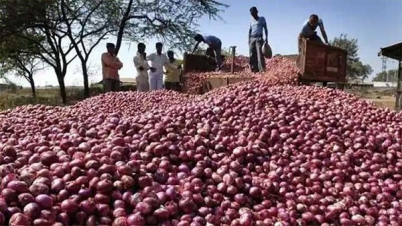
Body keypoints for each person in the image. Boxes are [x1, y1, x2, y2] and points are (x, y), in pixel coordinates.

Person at [248, 6, 268, 73]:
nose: (252, 15)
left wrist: (266, 38)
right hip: (252, 38)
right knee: (251, 54)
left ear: (257, 12)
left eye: (253, 13)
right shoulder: (251, 21)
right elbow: (249, 31)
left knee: (260, 54)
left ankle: (262, 70)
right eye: (251, 14)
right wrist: (249, 40)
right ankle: (254, 70)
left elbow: (265, 28)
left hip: (259, 38)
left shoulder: (262, 19)